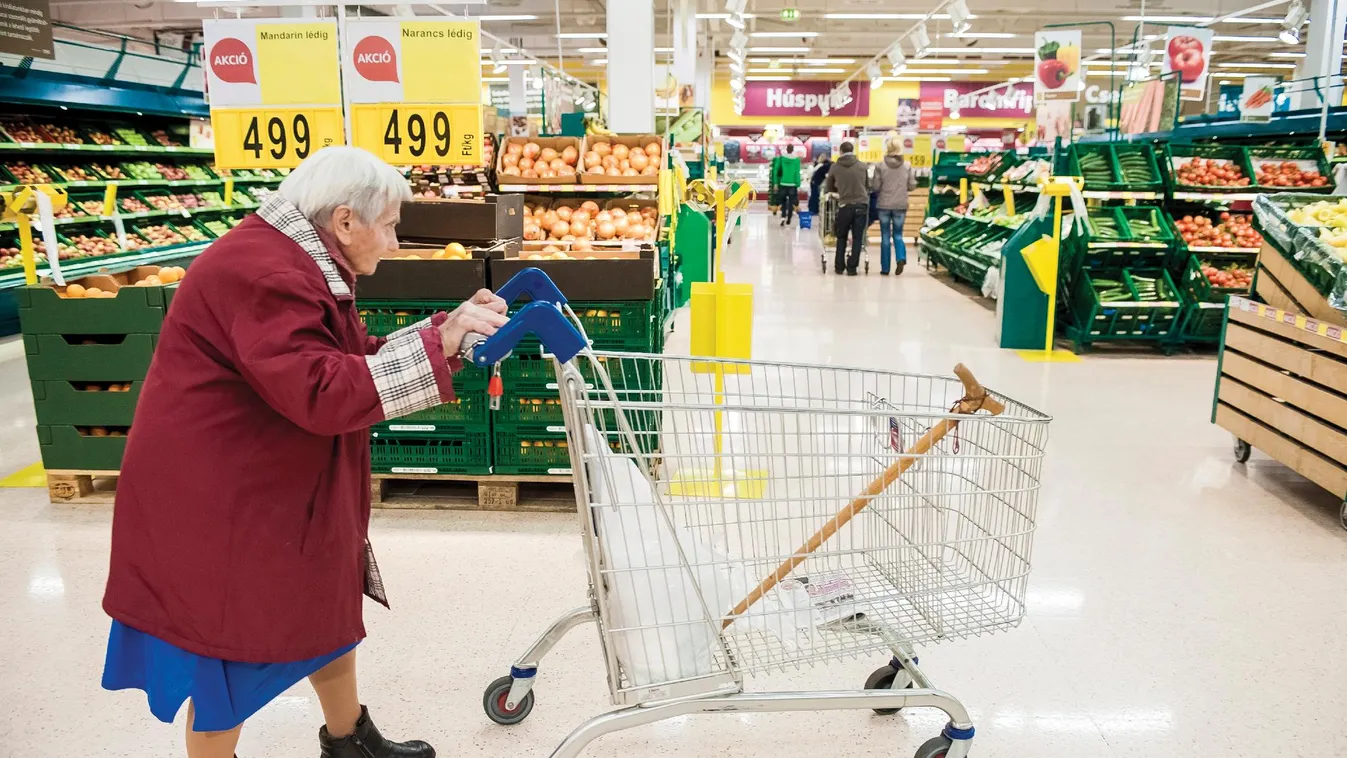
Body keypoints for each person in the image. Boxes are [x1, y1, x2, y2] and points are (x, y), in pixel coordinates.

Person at [100, 146, 510, 758]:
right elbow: (320, 390)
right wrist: (436, 347)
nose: (395, 243)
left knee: (326, 608)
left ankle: (350, 740)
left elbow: (343, 354)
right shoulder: (268, 276)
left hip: (268, 478)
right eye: (391, 225)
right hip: (226, 503)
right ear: (345, 221)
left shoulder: (292, 257)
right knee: (233, 653)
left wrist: (442, 331)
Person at [825, 141, 871, 275]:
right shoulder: (862, 166)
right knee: (857, 237)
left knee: (841, 236)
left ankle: (839, 266)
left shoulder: (835, 167)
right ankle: (852, 268)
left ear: (840, 151)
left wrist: (840, 191)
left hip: (844, 204)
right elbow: (868, 185)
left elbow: (829, 187)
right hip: (861, 205)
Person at [872, 141, 917, 275]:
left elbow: (875, 186)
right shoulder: (907, 165)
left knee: (885, 235)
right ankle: (901, 257)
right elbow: (911, 185)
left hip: (884, 205)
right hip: (900, 204)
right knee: (898, 234)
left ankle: (885, 268)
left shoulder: (880, 166)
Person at [773, 144, 802, 226]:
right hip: (792, 184)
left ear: (786, 149)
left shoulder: (781, 159)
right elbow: (797, 172)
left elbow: (776, 171)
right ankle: (789, 218)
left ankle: (783, 217)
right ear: (793, 150)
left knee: (783, 201)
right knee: (791, 202)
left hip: (783, 183)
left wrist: (775, 183)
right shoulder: (796, 160)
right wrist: (798, 184)